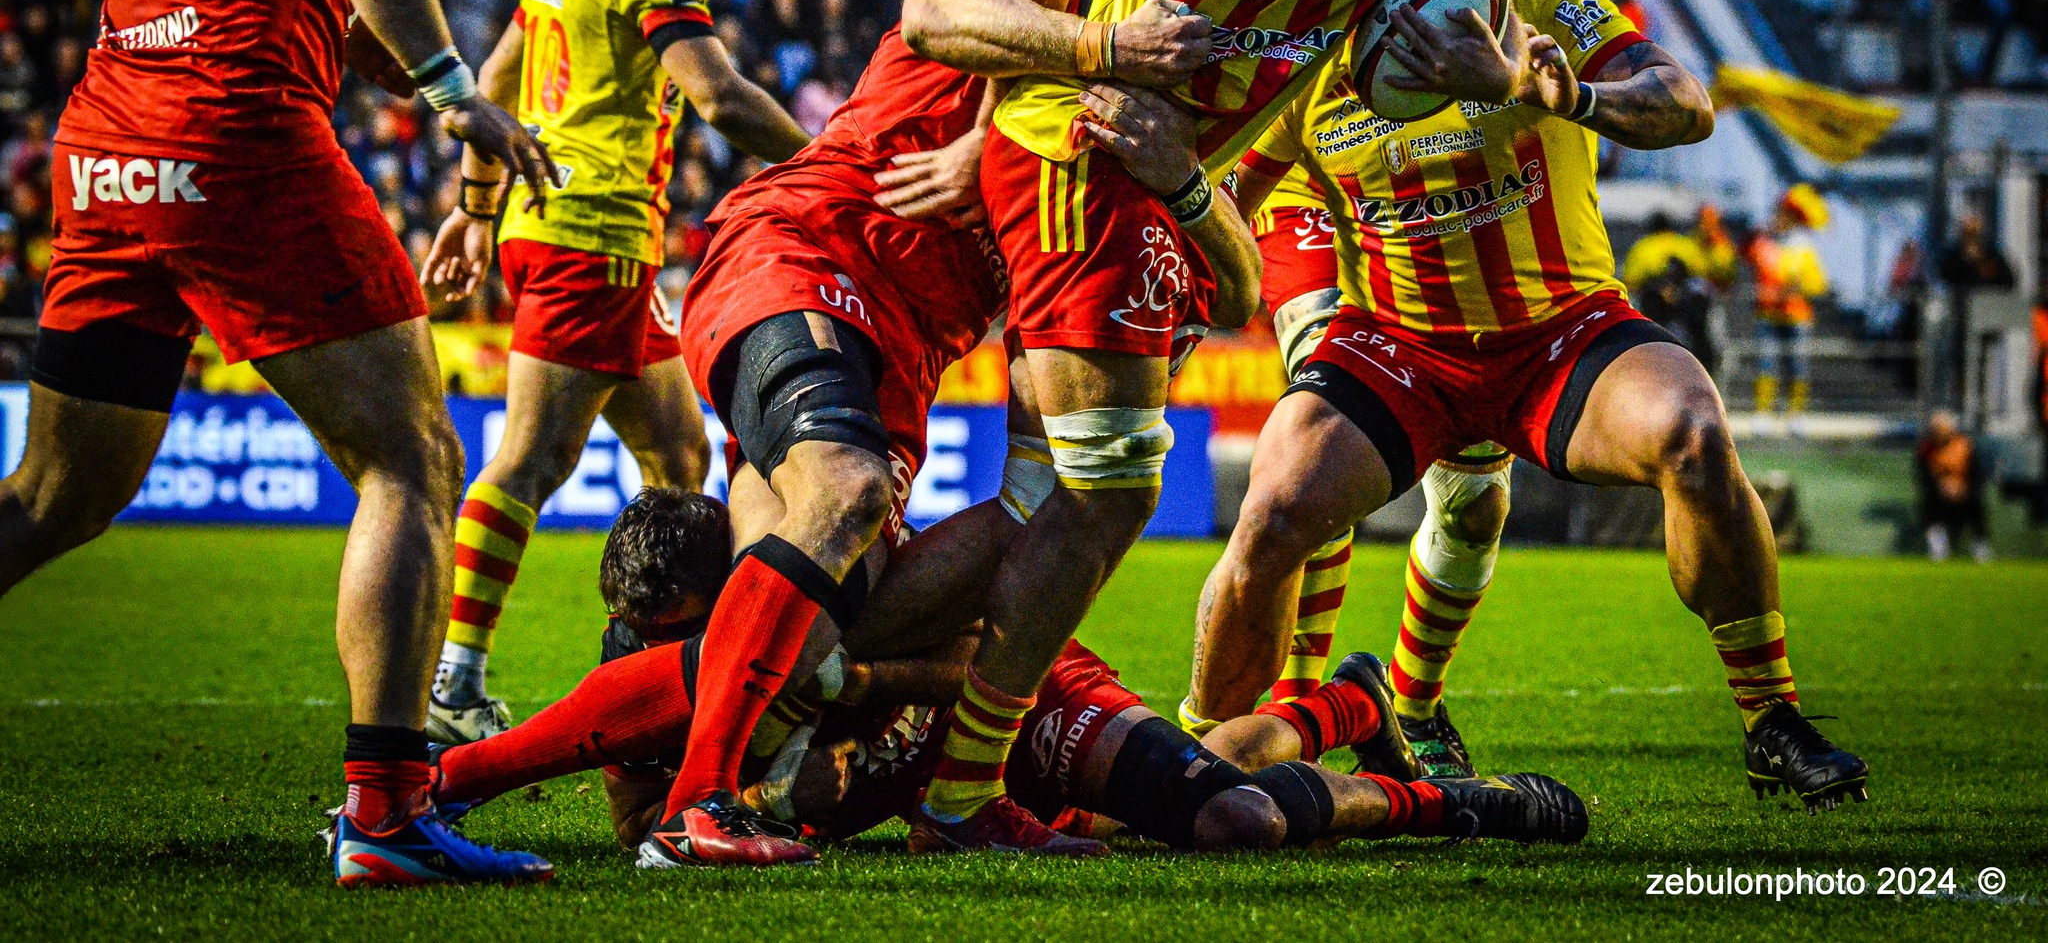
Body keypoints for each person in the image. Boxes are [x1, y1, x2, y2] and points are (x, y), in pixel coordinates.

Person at [0, 0, 556, 887]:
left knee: (56, 496)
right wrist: (447, 89)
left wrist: (361, 50)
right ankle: (385, 816)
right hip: (230, 134)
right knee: (411, 460)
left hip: (109, 132)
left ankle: (388, 812)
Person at [951, 0, 1510, 853]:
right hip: (1078, 146)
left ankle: (946, 737)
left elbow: (1467, 22)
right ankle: (955, 785)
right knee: (1111, 487)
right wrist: (1003, 114)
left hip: (1179, 185)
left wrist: (1480, 68)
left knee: (1051, 488)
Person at [1197, 0, 1871, 814]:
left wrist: (1562, 96)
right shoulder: (1314, 31)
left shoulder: (1548, 0)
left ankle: (1772, 719)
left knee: (1692, 433)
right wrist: (1178, 202)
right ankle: (1198, 755)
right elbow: (1236, 197)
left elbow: (1687, 107)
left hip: (1559, 332)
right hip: (1401, 346)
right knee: (1279, 504)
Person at [635, 0, 1225, 864]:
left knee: (814, 632)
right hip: (811, 247)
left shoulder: (1145, 115)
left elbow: (1228, 287)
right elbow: (932, 8)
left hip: (910, 351)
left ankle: (576, 754)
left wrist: (1180, 193)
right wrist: (1002, 131)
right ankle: (690, 803)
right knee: (844, 495)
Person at [424, 485, 1590, 859]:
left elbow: (976, 655)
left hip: (1012, 700)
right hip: (935, 778)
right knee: (1194, 790)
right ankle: (1343, 701)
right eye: (662, 635)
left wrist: (859, 696)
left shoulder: (839, 579)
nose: (692, 653)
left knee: (1226, 816)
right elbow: (616, 794)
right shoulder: (657, 664)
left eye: (700, 626)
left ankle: (1454, 804)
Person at [416, 0, 812, 744]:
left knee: (677, 454)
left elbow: (497, 77)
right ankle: (452, 685)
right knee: (529, 461)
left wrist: (473, 207)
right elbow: (716, 96)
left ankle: (647, 671)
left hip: (590, 239)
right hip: (585, 230)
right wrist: (834, 166)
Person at [1234, 0, 1597, 774]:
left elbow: (1566, 67)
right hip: (1316, 172)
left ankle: (1413, 701)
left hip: (1462, 189)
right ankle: (1299, 705)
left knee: (1471, 500)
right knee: (1325, 404)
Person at [1744, 185, 1831, 414]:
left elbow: (1818, 284)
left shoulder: (1804, 247)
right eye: (1778, 213)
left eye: (1784, 215)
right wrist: (1755, 234)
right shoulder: (1763, 241)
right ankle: (1763, 411)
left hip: (1796, 314)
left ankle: (1796, 412)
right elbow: (1744, 254)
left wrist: (1799, 284)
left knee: (1797, 365)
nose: (1778, 219)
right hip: (1767, 313)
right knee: (1766, 363)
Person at [1916, 410, 1993, 561]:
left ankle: (1980, 545)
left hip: (1964, 492)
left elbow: (1977, 475)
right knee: (1928, 504)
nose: (1938, 432)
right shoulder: (1925, 449)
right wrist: (1942, 486)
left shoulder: (1965, 445)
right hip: (1939, 494)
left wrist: (1963, 487)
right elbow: (1923, 478)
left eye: (1941, 428)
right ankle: (1938, 545)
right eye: (1935, 429)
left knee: (1976, 503)